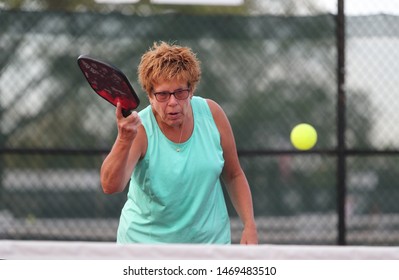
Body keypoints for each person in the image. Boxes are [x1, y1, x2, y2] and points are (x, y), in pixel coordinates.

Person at [100, 41, 258, 244]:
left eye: (180, 93)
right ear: (150, 96)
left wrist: (249, 225)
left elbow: (234, 174)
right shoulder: (139, 129)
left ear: (191, 90)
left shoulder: (213, 114)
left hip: (210, 245)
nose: (173, 102)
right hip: (145, 249)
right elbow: (110, 186)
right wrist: (123, 139)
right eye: (163, 95)